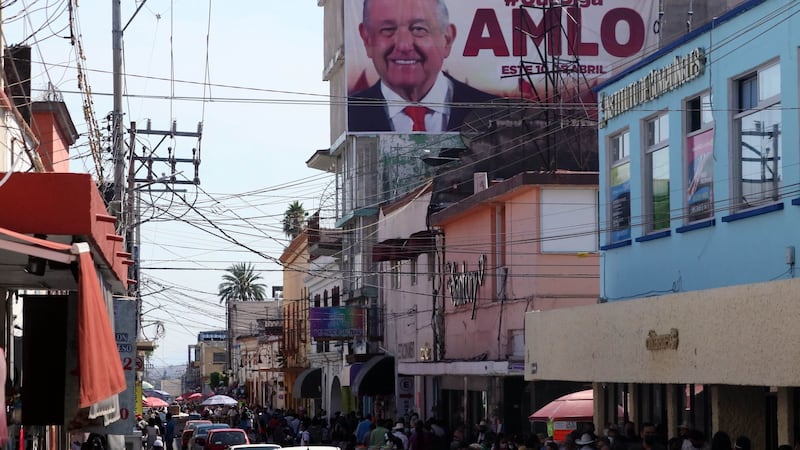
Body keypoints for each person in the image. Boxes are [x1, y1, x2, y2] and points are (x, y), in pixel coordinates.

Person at [348, 0, 498, 133]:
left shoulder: (494, 112)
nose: (404, 45)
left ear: (447, 39)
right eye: (388, 30)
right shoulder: (348, 114)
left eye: (419, 29)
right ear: (367, 39)